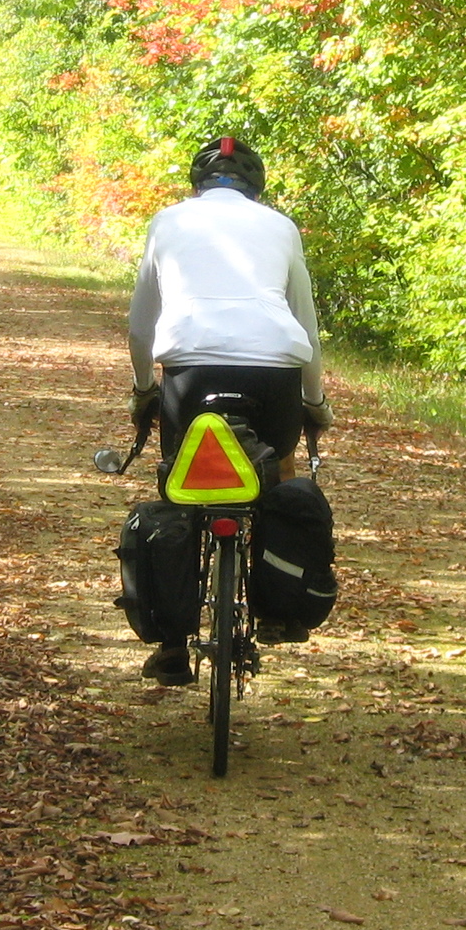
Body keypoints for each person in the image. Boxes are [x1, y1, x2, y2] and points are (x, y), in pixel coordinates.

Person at [127, 135, 331, 684]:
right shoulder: (281, 227)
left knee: (177, 479)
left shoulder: (167, 222)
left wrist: (145, 388)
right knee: (279, 470)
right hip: (275, 370)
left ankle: (172, 645)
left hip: (190, 369)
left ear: (197, 184)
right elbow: (306, 324)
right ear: (255, 185)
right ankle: (277, 606)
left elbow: (141, 325)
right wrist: (314, 401)